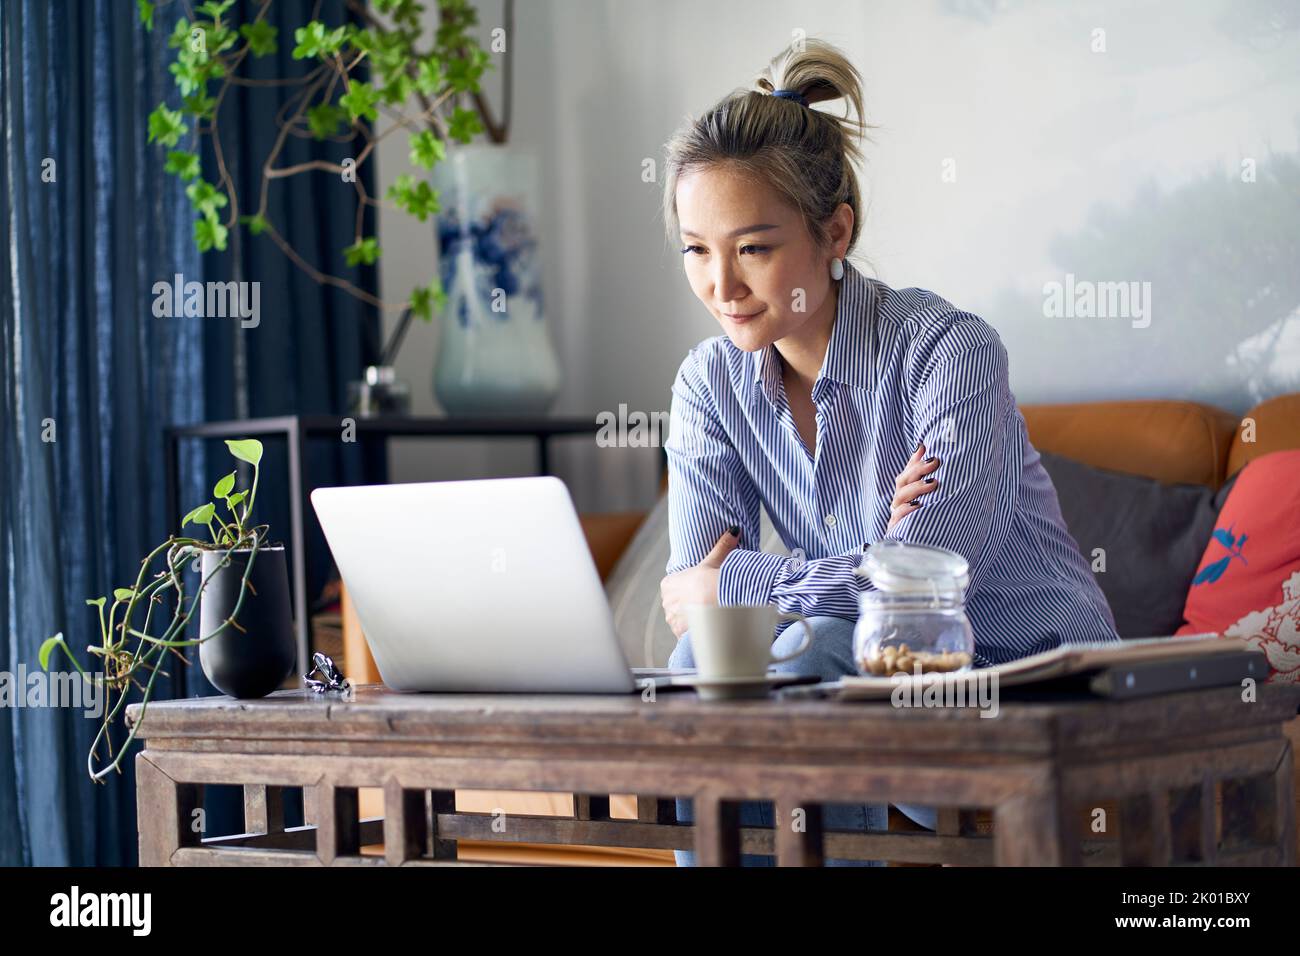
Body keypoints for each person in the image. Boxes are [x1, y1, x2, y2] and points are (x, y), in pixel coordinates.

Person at [657, 38, 1119, 867]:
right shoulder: (708, 386)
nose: (721, 286)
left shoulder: (951, 352)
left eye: (753, 248)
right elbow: (706, 615)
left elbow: (926, 589)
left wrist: (750, 580)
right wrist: (879, 549)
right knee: (709, 661)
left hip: (1026, 688)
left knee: (820, 655)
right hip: (877, 685)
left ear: (836, 231)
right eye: (697, 249)